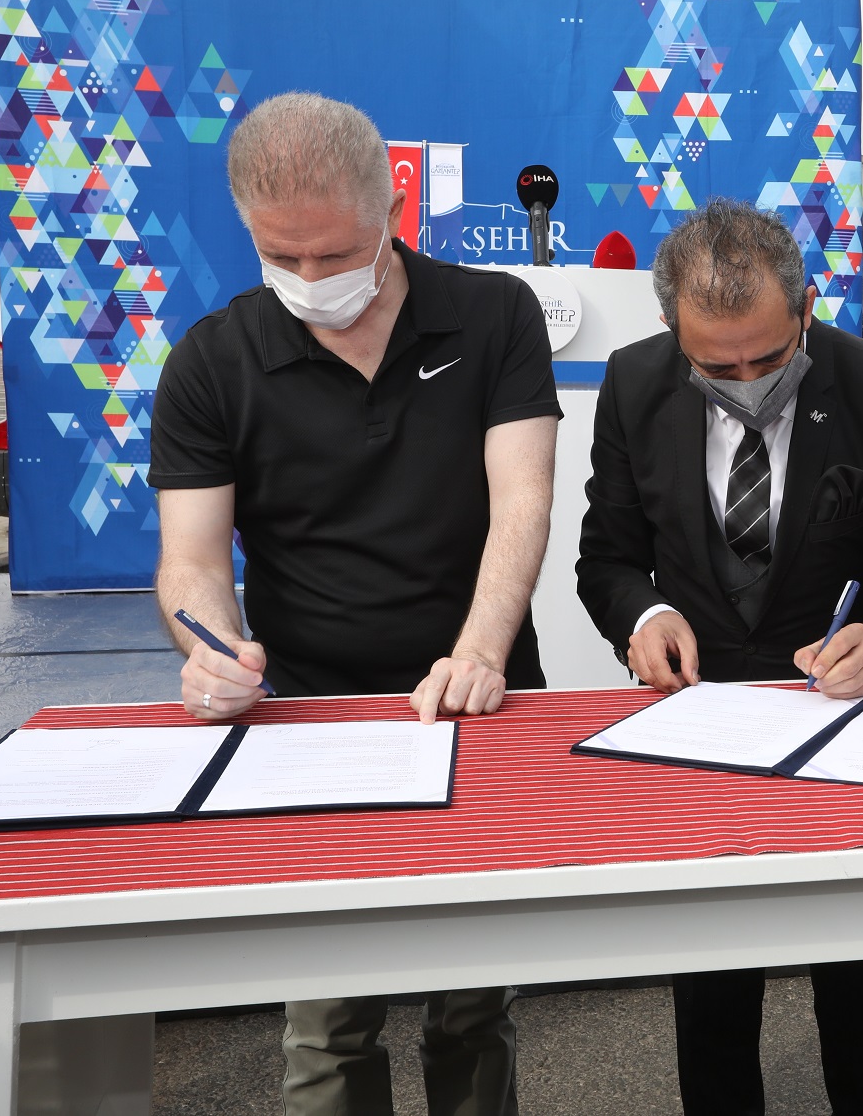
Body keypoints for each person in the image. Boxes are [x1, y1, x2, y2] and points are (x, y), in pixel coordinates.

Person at [148, 93, 559, 1116]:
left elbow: (522, 501)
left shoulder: (493, 314)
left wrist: (478, 652)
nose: (309, 277)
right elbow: (191, 560)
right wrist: (210, 645)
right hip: (309, 718)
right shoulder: (211, 360)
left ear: (393, 212)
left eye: (334, 254)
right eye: (280, 256)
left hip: (476, 706)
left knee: (474, 1008)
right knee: (328, 1021)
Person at [575, 199, 863, 1116]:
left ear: (805, 310)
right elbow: (608, 560)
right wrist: (645, 614)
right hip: (700, 725)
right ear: (672, 327)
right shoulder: (634, 384)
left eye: (769, 358)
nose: (746, 383)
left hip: (842, 727)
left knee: (858, 991)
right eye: (716, 367)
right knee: (711, 994)